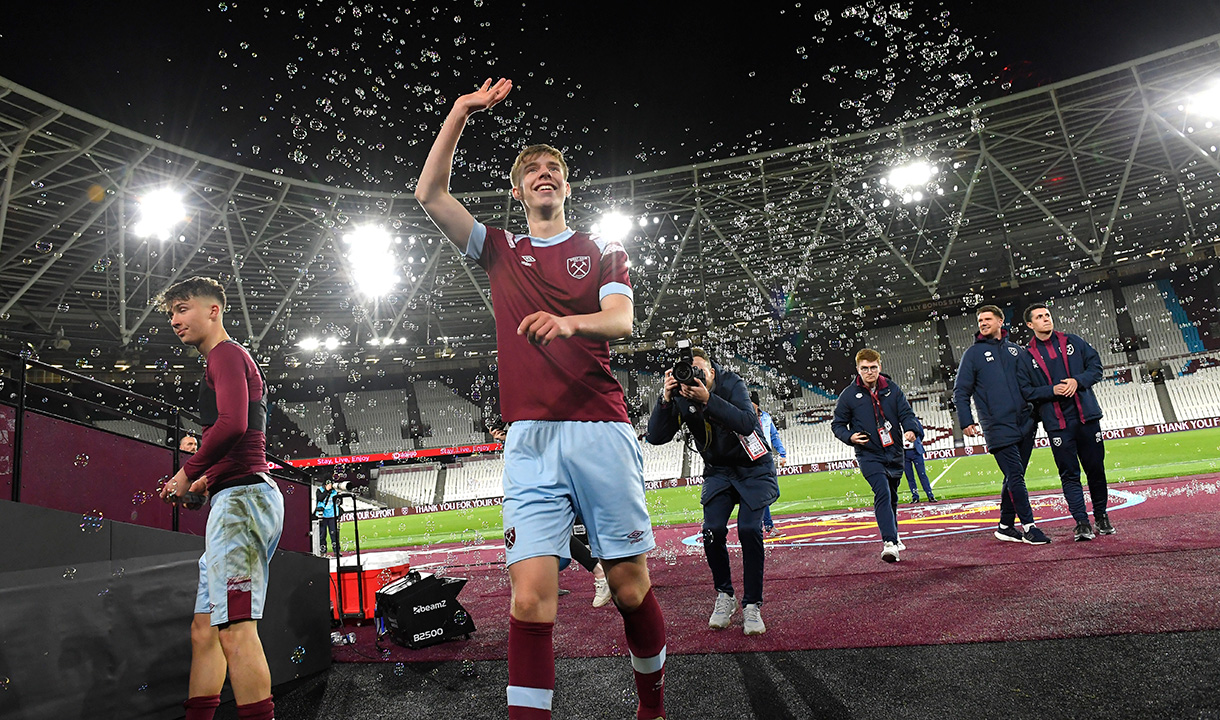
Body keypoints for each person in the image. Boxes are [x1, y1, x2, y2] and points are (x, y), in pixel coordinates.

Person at [415, 78, 667, 720]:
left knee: (629, 586)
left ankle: (652, 703)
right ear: (519, 190)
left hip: (600, 428)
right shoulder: (500, 248)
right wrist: (461, 111)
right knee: (529, 601)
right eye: (532, 170)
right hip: (529, 439)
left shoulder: (602, 248)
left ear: (567, 187)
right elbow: (430, 194)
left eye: (553, 168)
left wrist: (569, 324)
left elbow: (621, 321)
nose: (544, 174)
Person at [155, 277, 283, 720]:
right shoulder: (223, 359)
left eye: (182, 308)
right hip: (235, 495)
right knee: (205, 630)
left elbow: (231, 424)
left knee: (234, 630)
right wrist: (204, 481)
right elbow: (240, 437)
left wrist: (186, 473)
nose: (174, 319)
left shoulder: (225, 353)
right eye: (171, 312)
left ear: (214, 310)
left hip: (243, 501)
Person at [647, 348, 778, 635]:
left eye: (700, 371)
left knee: (749, 530)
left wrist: (709, 400)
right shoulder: (681, 394)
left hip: (753, 468)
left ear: (712, 371)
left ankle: (752, 605)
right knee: (712, 530)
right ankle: (725, 595)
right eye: (688, 371)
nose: (694, 377)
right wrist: (666, 400)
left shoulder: (732, 383)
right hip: (718, 471)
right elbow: (655, 437)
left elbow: (746, 423)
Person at [953, 304, 1051, 545]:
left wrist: (1036, 415)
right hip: (997, 426)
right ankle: (1029, 526)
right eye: (980, 320)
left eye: (987, 319)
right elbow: (960, 391)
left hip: (1025, 424)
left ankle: (1006, 526)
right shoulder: (972, 355)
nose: (983, 323)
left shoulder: (1016, 351)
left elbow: (1029, 386)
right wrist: (966, 421)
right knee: (1015, 475)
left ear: (1000, 321)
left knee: (1013, 476)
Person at [1021, 303, 1115, 540]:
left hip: (1087, 417)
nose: (1046, 319)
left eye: (1048, 315)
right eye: (1040, 317)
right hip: (1057, 423)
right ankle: (1081, 522)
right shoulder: (1025, 356)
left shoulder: (1073, 341)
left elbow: (1096, 368)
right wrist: (1052, 390)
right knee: (1069, 474)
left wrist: (1077, 381)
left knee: (1096, 469)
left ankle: (1102, 516)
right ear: (1030, 325)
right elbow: (1026, 391)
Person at [493, 423, 612, 607]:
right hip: (543, 468)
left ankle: (603, 571)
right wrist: (509, 437)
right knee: (547, 531)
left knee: (553, 529)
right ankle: (598, 572)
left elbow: (541, 443)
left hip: (556, 466)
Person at [831, 349, 923, 562]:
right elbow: (837, 425)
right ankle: (889, 543)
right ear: (858, 369)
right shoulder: (848, 395)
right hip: (868, 455)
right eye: (865, 368)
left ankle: (894, 535)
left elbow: (906, 414)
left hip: (894, 451)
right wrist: (850, 436)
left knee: (891, 496)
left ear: (880, 367)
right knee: (882, 492)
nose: (869, 372)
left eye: (873, 367)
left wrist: (911, 429)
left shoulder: (892, 389)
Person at [750, 391, 787, 537]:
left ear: (756, 404)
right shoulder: (744, 418)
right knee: (763, 494)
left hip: (767, 458)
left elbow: (774, 435)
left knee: (774, 492)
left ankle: (758, 517)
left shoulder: (765, 417)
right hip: (753, 459)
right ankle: (769, 526)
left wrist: (782, 454)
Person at [903, 426, 937, 503]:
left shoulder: (911, 421)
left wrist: (916, 441)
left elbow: (921, 432)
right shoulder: (895, 422)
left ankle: (930, 495)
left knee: (922, 474)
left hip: (916, 451)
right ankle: (915, 496)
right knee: (909, 476)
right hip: (904, 453)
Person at [315, 479, 341, 556]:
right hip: (322, 515)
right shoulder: (319, 490)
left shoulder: (335, 491)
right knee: (322, 535)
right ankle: (323, 551)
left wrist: (339, 494)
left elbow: (339, 502)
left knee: (334, 534)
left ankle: (336, 551)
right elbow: (320, 498)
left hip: (332, 515)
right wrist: (326, 491)